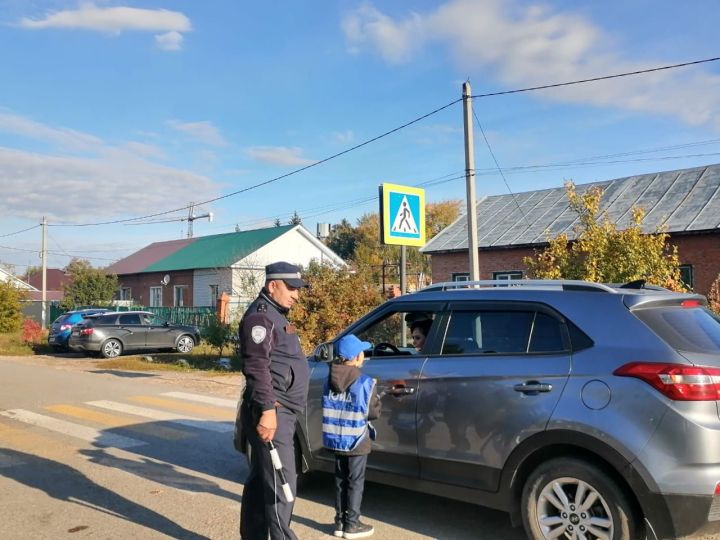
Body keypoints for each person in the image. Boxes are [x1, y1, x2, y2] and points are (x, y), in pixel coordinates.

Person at [237, 261, 310, 540]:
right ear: (272, 285)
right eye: (291, 288)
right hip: (272, 412)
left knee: (261, 483)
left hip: (279, 411)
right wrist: (268, 411)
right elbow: (256, 366)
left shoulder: (276, 314)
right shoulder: (260, 317)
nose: (296, 295)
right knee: (282, 487)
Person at [322, 334, 381, 539]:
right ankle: (352, 525)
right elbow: (373, 412)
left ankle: (339, 522)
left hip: (337, 438)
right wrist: (378, 397)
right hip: (357, 439)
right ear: (357, 357)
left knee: (340, 479)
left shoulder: (329, 379)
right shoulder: (365, 382)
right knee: (355, 481)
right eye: (362, 351)